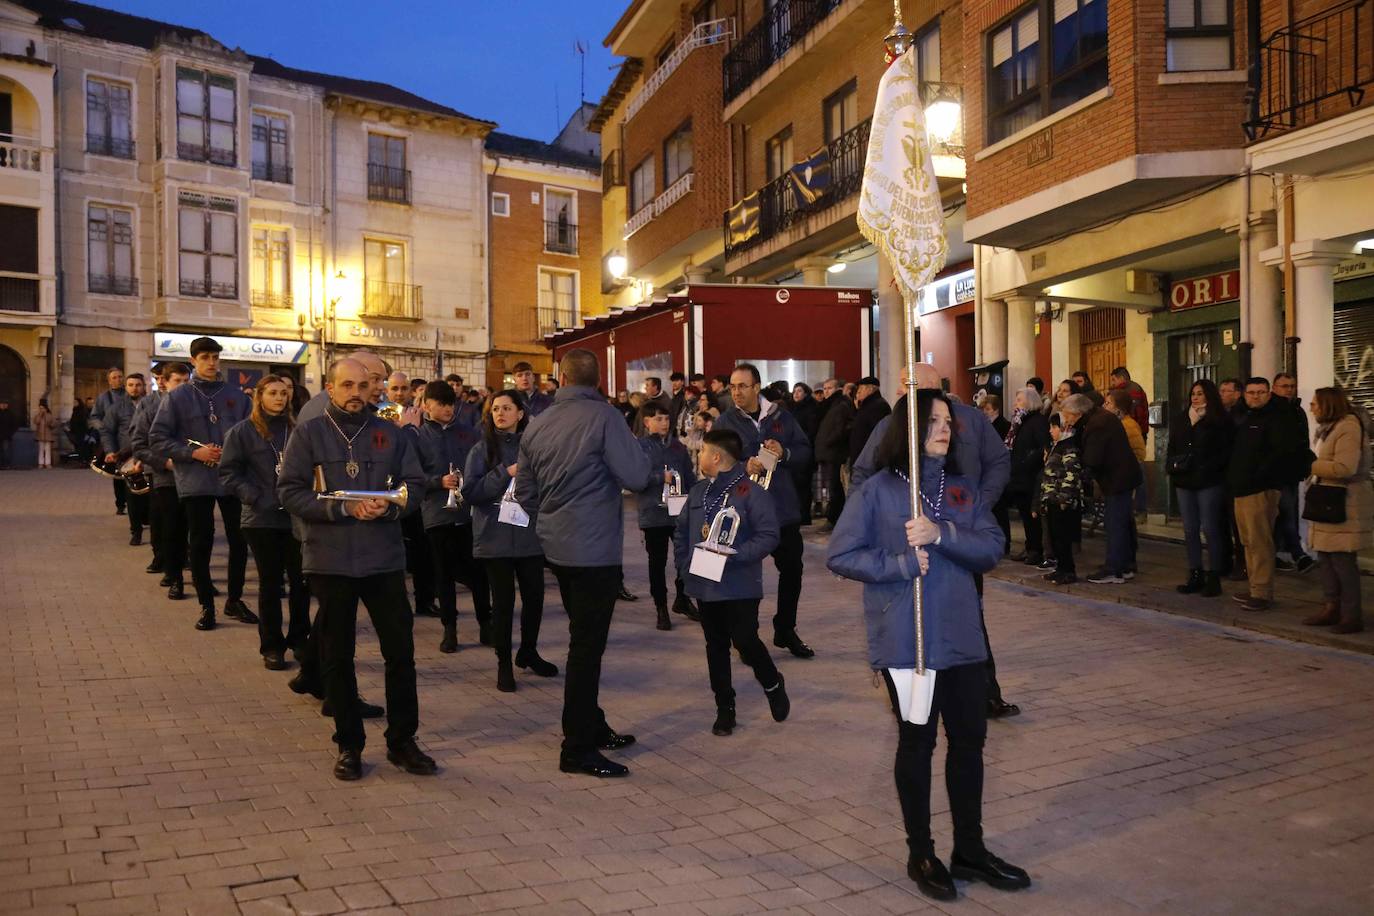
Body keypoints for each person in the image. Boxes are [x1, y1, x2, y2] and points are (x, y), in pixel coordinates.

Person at [826, 390, 1030, 902]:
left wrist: (941, 535)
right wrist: (896, 565)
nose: (946, 428)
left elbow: (990, 548)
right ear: (908, 432)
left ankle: (971, 850)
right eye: (933, 421)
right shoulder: (876, 492)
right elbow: (842, 553)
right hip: (907, 642)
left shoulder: (961, 490)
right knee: (917, 745)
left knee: (969, 743)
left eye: (946, 421)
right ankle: (921, 852)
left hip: (962, 639)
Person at [276, 358, 434, 781]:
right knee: (337, 658)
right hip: (330, 560)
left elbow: (415, 486)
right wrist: (344, 507)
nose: (356, 393)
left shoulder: (390, 433)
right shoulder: (308, 434)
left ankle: (403, 741)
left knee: (400, 653)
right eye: (347, 385)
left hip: (383, 558)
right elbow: (290, 492)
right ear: (330, 388)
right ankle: (349, 744)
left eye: (364, 385)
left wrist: (391, 506)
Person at [514, 348, 657, 778]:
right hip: (594, 551)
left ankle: (591, 725)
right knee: (586, 650)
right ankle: (576, 746)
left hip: (557, 547)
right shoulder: (606, 418)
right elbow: (635, 476)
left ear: (559, 377)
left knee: (582, 640)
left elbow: (524, 492)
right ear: (597, 381)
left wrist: (553, 518)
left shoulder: (537, 424)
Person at [852, 363, 1018, 719]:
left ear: (933, 388)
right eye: (902, 385)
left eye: (909, 385)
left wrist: (978, 507)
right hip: (908, 541)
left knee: (967, 612)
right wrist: (873, 521)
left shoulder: (971, 421)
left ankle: (984, 691)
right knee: (910, 614)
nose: (901, 391)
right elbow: (863, 474)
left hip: (961, 541)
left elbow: (998, 460)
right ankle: (919, 690)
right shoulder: (892, 424)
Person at [675, 428, 788, 736]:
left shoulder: (751, 493)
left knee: (745, 641)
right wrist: (685, 569)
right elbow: (682, 532)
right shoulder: (699, 493)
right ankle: (725, 708)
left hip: (740, 584)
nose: (698, 456)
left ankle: (772, 682)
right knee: (716, 646)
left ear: (716, 457)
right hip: (705, 584)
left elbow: (769, 536)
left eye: (702, 452)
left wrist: (734, 554)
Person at [150, 336, 253, 631]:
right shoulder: (177, 397)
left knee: (239, 539)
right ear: (193, 361)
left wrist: (233, 456)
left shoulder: (236, 395)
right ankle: (206, 604)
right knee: (201, 540)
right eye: (205, 357)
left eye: (215, 357)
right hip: (195, 478)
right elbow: (158, 439)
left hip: (231, 478)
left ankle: (234, 599)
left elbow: (250, 434)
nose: (211, 362)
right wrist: (194, 452)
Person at [714, 363, 816, 659]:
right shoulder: (725, 422)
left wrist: (784, 453)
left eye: (742, 386)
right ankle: (747, 638)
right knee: (746, 573)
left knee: (792, 571)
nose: (736, 392)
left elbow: (806, 452)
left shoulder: (782, 417)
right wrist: (743, 465)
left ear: (757, 387)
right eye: (732, 386)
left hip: (781, 509)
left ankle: (785, 629)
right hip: (744, 512)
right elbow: (712, 464)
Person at [464, 388, 554, 692]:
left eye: (506, 408)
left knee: (535, 599)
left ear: (520, 413)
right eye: (495, 409)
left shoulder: (536, 448)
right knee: (502, 604)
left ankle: (528, 651)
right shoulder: (481, 450)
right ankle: (503, 662)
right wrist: (506, 472)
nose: (500, 413)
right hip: (495, 537)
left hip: (529, 534)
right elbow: (471, 493)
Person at [220, 375, 310, 670]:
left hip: (296, 517)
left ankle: (299, 640)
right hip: (261, 518)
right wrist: (254, 496)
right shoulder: (242, 432)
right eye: (273, 393)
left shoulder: (297, 430)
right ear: (259, 396)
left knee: (300, 582)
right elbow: (229, 472)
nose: (280, 398)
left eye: (284, 393)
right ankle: (272, 646)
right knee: (270, 584)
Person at [414, 380, 490, 654]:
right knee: (443, 575)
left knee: (479, 573)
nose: (448, 409)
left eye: (451, 404)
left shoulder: (467, 434)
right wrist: (437, 481)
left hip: (469, 514)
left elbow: (481, 465)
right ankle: (450, 629)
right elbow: (412, 477)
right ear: (426, 406)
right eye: (441, 404)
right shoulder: (419, 436)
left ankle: (486, 623)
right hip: (437, 515)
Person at [1226, 377, 1312, 612]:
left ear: (1269, 393)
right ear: (1245, 395)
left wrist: (1259, 476)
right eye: (1251, 392)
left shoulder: (1278, 418)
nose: (1256, 396)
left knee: (1260, 541)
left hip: (1261, 489)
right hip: (1240, 488)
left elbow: (1278, 454)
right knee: (1247, 541)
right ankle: (1255, 586)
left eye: (1261, 392)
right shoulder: (1244, 417)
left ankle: (1262, 592)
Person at [1302, 387, 1371, 634]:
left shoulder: (1348, 427)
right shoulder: (1330, 428)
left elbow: (1345, 467)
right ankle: (1332, 606)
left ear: (1328, 405)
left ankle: (1351, 615)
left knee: (1342, 560)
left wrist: (1311, 465)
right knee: (1326, 557)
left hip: (1343, 502)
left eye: (1315, 404)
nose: (1312, 408)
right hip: (1327, 500)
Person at [1166, 380, 1235, 598]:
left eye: (1200, 394)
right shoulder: (1181, 419)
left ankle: (1214, 574)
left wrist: (1207, 466)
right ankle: (1195, 573)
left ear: (1209, 396)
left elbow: (1225, 452)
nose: (1195, 398)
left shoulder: (1220, 420)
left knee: (1210, 527)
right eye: (1193, 394)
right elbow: (1172, 446)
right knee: (1190, 529)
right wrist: (1171, 466)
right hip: (1184, 480)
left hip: (1209, 480)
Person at [634, 402, 697, 630]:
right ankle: (661, 606)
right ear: (647, 421)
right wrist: (661, 477)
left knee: (684, 557)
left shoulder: (678, 447)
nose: (663, 423)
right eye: (658, 419)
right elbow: (636, 480)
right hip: (653, 513)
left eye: (666, 419)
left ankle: (683, 598)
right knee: (657, 562)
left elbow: (689, 476)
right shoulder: (639, 447)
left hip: (679, 512)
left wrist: (697, 499)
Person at [1066, 393, 1141, 584]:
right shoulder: (1099, 417)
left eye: (1069, 415)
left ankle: (1114, 569)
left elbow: (1092, 459)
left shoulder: (1097, 424)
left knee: (1115, 523)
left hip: (1118, 479)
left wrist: (1079, 471)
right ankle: (1125, 565)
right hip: (1120, 477)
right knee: (1121, 522)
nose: (1067, 420)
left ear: (1079, 412)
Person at [133, 363, 190, 600]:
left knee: (195, 530)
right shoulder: (150, 407)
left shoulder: (195, 407)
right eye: (178, 381)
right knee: (170, 526)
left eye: (187, 382)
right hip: (166, 477)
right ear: (164, 382)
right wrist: (164, 462)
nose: (183, 387)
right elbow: (140, 445)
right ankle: (173, 574)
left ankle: (197, 574)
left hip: (195, 478)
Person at [1271, 372, 1316, 573]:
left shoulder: (1297, 411)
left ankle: (1282, 554)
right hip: (1276, 473)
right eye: (1284, 386)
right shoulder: (1272, 411)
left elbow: (1302, 442)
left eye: (1291, 386)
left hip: (1291, 472)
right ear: (1274, 388)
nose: (1289, 389)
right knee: (1286, 513)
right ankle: (1298, 555)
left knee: (1287, 514)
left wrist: (1305, 465)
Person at [1036, 411, 1086, 584]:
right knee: (1055, 537)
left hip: (1062, 502)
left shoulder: (1069, 447)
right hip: (1052, 500)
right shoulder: (1057, 446)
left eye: (1054, 427)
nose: (1051, 430)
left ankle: (1068, 570)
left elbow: (1071, 473)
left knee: (1063, 538)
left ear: (1063, 427)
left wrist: (1063, 498)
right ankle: (1060, 569)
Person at [101, 372, 150, 546]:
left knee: (150, 495)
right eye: (131, 385)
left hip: (149, 456)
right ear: (126, 386)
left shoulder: (152, 404)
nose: (134, 388)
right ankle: (135, 531)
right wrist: (110, 451)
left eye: (138, 384)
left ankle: (148, 521)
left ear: (144, 386)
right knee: (132, 497)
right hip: (126, 457)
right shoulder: (116, 408)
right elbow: (107, 431)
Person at [1003, 387, 1050, 565]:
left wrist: (1026, 461)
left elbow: (1042, 447)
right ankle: (1030, 546)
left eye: (1019, 400)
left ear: (1030, 402)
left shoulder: (1037, 421)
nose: (1016, 404)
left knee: (1032, 516)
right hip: (1019, 475)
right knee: (1024, 514)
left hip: (1030, 476)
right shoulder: (1020, 421)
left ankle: (1035, 550)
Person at [1218, 378, 1248, 579]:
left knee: (1239, 525)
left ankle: (1242, 564)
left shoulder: (1241, 416)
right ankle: (1226, 562)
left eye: (1226, 391)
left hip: (1236, 477)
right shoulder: (1222, 414)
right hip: (1222, 476)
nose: (1222, 394)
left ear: (1238, 393)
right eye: (1220, 391)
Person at [815, 378, 854, 528]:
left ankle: (834, 519)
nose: (825, 391)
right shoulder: (829, 405)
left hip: (835, 452)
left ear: (837, 389)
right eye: (824, 388)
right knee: (833, 487)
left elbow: (840, 429)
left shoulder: (840, 404)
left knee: (835, 488)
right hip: (829, 452)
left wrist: (828, 441)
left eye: (829, 388)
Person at [90, 368, 128, 512]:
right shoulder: (103, 398)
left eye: (120, 376)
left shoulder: (129, 394)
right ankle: (120, 504)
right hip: (113, 440)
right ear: (109, 380)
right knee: (117, 474)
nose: (118, 379)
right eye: (114, 377)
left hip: (128, 439)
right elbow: (94, 417)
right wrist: (103, 428)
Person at [790, 383, 820, 524]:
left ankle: (804, 515)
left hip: (805, 451)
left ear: (806, 393)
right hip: (794, 451)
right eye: (794, 391)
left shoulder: (810, 409)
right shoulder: (793, 408)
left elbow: (811, 431)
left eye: (799, 391)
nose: (796, 394)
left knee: (804, 486)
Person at [849, 377, 891, 471]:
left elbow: (877, 433)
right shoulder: (867, 405)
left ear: (870, 389)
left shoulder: (878, 406)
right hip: (862, 457)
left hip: (868, 459)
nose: (858, 392)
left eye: (861, 389)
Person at [1108, 367, 1150, 442]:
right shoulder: (1135, 388)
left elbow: (1136, 413)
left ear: (1121, 378)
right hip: (1136, 432)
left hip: (1131, 433)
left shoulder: (1130, 391)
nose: (1112, 383)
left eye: (1114, 380)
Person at [32, 398, 58, 468]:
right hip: (40, 435)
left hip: (48, 435)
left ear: (45, 408)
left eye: (42, 408)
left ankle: (47, 463)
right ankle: (40, 463)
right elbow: (36, 421)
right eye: (40, 408)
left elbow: (54, 423)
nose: (41, 410)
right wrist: (40, 415)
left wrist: (50, 424)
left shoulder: (49, 415)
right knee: (41, 450)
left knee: (47, 450)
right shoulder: (38, 416)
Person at [69, 397, 91, 463]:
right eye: (74, 402)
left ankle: (85, 460)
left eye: (76, 402)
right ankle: (80, 460)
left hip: (82, 432)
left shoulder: (82, 411)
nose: (74, 404)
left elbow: (84, 422)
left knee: (83, 446)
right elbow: (72, 420)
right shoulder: (75, 410)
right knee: (78, 446)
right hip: (76, 432)